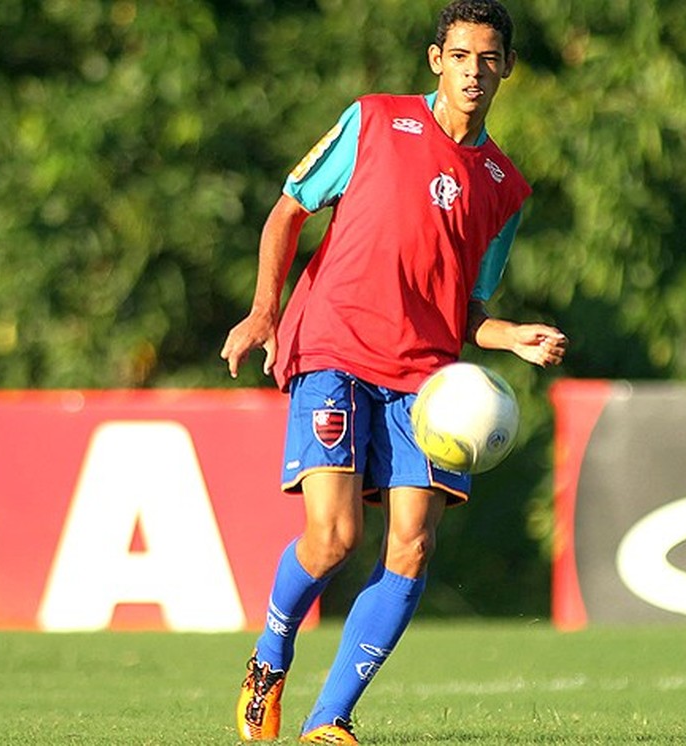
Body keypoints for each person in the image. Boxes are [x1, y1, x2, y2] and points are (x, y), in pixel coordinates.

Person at [220, 1, 567, 742]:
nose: (476, 71)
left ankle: (329, 721)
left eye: (490, 58)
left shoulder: (505, 186)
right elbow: (289, 210)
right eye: (462, 55)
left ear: (506, 67)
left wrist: (512, 338)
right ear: (436, 59)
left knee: (413, 542)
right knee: (333, 538)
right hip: (336, 350)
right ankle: (269, 659)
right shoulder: (374, 120)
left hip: (427, 381)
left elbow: (467, 307)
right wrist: (263, 312)